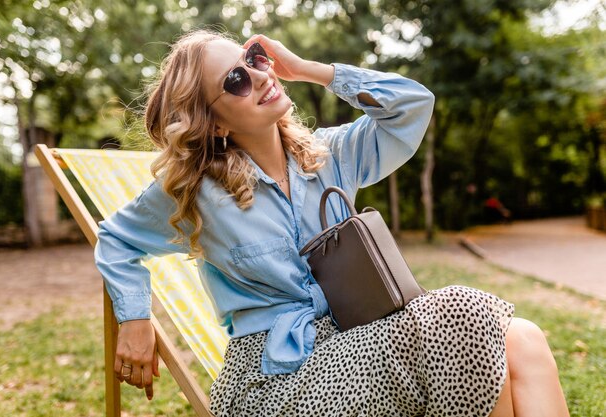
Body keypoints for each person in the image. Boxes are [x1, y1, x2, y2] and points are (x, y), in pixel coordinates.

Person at [94, 29, 570, 417]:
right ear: (214, 123)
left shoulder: (327, 156)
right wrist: (135, 319)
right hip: (273, 379)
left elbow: (412, 105)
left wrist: (307, 70)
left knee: (522, 337)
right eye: (236, 81)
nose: (259, 77)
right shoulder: (197, 192)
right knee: (458, 313)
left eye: (254, 60)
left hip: (358, 342)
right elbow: (115, 239)